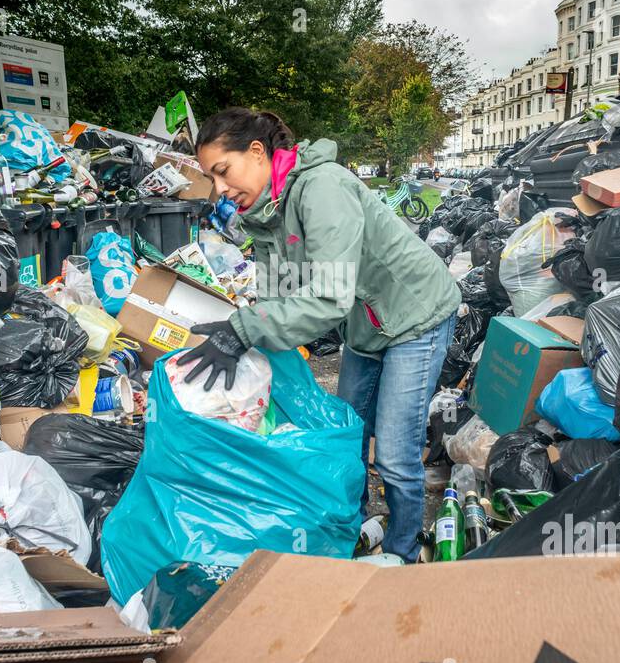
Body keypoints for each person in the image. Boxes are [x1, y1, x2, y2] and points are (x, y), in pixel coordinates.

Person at [178, 107, 460, 563]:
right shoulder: (265, 214)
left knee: (393, 453)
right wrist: (248, 342)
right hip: (365, 323)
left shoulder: (322, 188)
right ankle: (356, 527)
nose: (220, 189)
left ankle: (403, 553)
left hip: (414, 315)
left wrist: (244, 331)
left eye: (222, 171)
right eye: (212, 179)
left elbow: (328, 297)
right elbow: (276, 297)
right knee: (345, 433)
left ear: (256, 152)